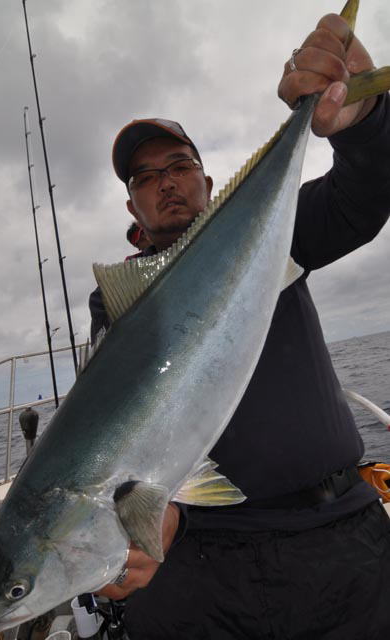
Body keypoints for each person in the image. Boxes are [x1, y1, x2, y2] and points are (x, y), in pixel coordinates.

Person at [89, 13, 390, 640]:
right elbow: (115, 426)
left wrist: (361, 120)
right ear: (131, 205)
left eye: (179, 165)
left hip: (338, 538)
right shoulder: (115, 303)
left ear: (205, 180)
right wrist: (146, 514)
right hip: (199, 557)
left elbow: (362, 197)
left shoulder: (274, 235)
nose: (166, 183)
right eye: (145, 177)